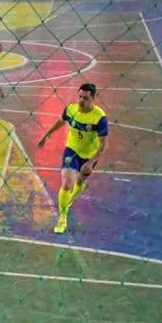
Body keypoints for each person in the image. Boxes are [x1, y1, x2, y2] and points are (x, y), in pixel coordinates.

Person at [37, 82, 109, 234]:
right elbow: (61, 121)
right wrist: (47, 134)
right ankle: (62, 218)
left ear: (93, 98)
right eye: (80, 97)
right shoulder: (71, 109)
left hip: (89, 155)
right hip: (72, 151)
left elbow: (103, 145)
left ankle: (73, 195)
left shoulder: (99, 118)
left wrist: (91, 162)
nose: (81, 101)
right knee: (66, 184)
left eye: (85, 98)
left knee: (80, 182)